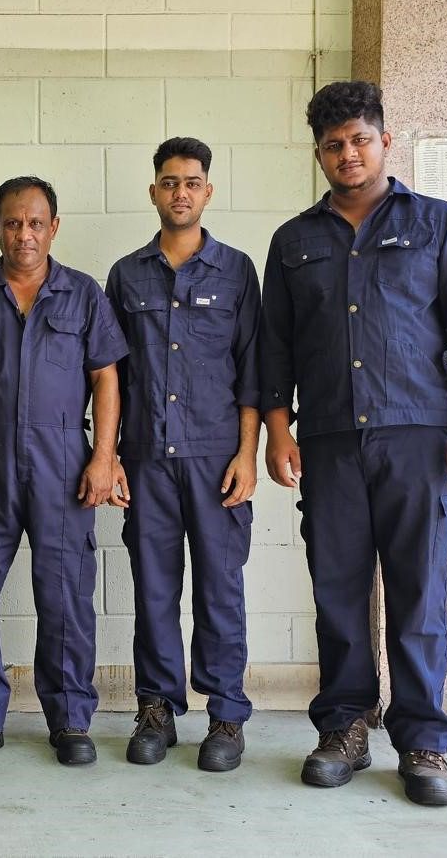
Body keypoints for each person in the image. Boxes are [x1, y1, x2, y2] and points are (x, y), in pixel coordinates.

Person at [259, 81, 447, 807]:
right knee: (336, 590)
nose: (348, 154)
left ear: (384, 142)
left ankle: (422, 741)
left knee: (418, 592)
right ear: (318, 154)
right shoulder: (293, 241)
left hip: (416, 438)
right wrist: (278, 430)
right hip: (328, 440)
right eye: (333, 145)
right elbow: (275, 350)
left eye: (360, 140)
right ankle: (343, 728)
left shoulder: (436, 223)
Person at [0, 176, 128, 768]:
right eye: (13, 223)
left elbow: (106, 378)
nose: (25, 234)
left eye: (36, 223)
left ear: (54, 228)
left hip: (62, 464)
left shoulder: (83, 294)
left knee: (66, 596)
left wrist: (103, 456)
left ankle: (69, 720)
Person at [105, 137, 261, 772]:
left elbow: (253, 370)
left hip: (216, 458)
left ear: (208, 192)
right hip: (146, 458)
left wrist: (248, 454)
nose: (180, 193)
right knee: (154, 589)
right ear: (153, 192)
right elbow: (110, 376)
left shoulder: (237, 271)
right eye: (169, 182)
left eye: (192, 182)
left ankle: (226, 715)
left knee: (220, 590)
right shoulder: (126, 275)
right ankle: (157, 710)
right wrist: (110, 455)